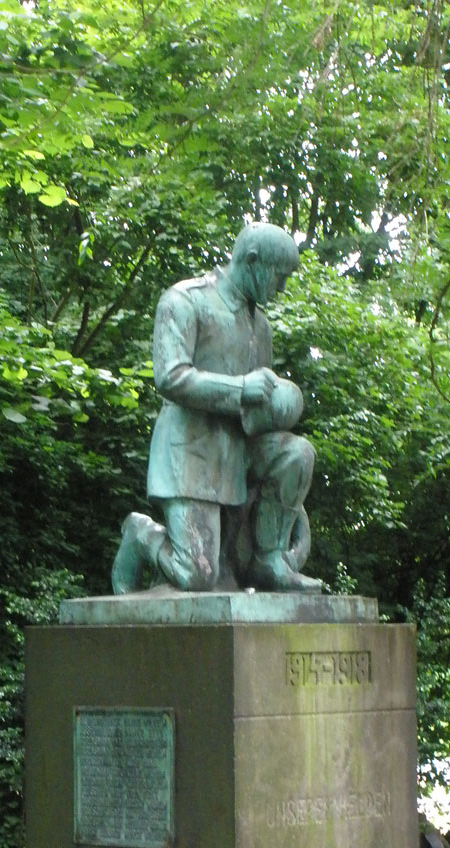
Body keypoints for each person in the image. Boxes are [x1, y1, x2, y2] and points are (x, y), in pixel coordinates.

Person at [112, 222, 321, 594]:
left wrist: (279, 408)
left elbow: (257, 408)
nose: (282, 287)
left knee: (299, 452)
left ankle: (269, 559)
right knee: (197, 575)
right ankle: (141, 534)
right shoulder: (185, 300)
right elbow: (170, 377)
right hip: (190, 453)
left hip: (239, 450)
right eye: (279, 276)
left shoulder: (262, 326)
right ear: (253, 261)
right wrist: (241, 388)